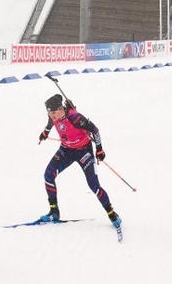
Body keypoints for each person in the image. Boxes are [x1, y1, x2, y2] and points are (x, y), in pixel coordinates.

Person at [37, 94, 121, 230]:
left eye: (53, 112)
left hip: (84, 151)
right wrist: (46, 132)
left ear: (60, 109)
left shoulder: (75, 117)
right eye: (49, 112)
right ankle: (54, 212)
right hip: (66, 150)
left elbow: (95, 130)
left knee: (94, 185)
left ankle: (111, 213)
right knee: (48, 175)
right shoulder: (53, 116)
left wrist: (99, 149)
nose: (51, 115)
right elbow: (50, 123)